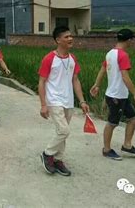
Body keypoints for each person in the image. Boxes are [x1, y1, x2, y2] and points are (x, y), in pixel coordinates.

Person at [38, 26, 89, 177]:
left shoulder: (73, 58)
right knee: (64, 130)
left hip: (68, 101)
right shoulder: (49, 58)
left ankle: (58, 160)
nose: (70, 39)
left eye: (71, 36)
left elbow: (75, 80)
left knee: (62, 132)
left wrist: (82, 101)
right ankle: (47, 154)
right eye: (66, 37)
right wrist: (43, 104)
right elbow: (41, 82)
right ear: (58, 40)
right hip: (53, 100)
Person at [90, 28, 135, 161]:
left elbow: (102, 70)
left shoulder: (110, 53)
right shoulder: (123, 55)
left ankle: (127, 145)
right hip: (116, 96)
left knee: (134, 118)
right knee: (112, 123)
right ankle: (107, 150)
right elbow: (125, 76)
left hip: (120, 95)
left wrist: (96, 85)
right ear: (129, 40)